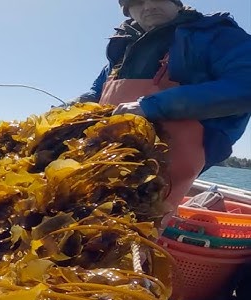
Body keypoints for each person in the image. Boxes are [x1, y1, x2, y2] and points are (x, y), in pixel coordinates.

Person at [72, 0, 251, 229]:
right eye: (136, 3)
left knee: (133, 234)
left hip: (165, 168)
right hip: (102, 159)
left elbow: (245, 86)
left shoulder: (214, 35)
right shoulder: (126, 43)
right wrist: (78, 103)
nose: (147, 6)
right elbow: (99, 88)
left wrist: (153, 106)